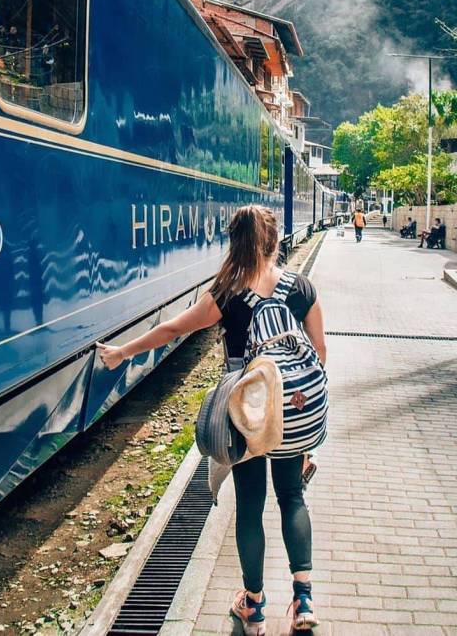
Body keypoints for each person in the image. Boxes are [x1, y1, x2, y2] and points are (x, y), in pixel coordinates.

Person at [98, 206, 327, 634]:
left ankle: (254, 607)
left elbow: (172, 330)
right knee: (293, 498)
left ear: (235, 243)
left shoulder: (228, 293)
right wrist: (301, 417)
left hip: (249, 419)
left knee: (250, 507)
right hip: (294, 411)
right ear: (275, 242)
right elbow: (320, 353)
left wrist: (122, 353)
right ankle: (303, 600)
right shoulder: (302, 288)